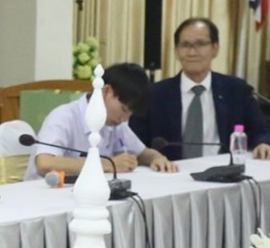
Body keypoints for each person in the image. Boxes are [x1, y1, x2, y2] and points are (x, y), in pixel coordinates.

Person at [130, 19, 270, 162]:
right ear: (176, 51)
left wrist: (265, 144)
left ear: (215, 49)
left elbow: (263, 131)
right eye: (185, 45)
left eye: (200, 44)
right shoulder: (155, 94)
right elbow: (134, 142)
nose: (192, 52)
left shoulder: (235, 89)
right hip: (172, 172)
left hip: (223, 171)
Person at [27, 63, 177, 180]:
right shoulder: (64, 117)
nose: (125, 119)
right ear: (106, 91)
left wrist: (157, 158)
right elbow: (45, 163)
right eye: (124, 110)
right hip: (45, 198)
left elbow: (142, 152)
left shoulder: (115, 124)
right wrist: (108, 164)